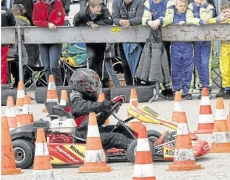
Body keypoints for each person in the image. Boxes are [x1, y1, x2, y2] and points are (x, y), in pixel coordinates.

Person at [69, 68, 132, 150]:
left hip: (89, 130)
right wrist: (106, 104)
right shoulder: (74, 98)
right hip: (80, 135)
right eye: (91, 85)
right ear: (81, 84)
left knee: (120, 129)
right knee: (116, 137)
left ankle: (142, 140)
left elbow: (95, 122)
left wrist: (107, 110)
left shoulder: (83, 98)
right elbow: (82, 107)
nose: (94, 89)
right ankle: (139, 148)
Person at [73, 0, 113, 87]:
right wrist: (88, 26)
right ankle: (91, 80)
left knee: (100, 60)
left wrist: (96, 23)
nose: (100, 9)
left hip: (101, 39)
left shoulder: (104, 10)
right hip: (90, 40)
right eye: (98, 7)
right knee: (91, 57)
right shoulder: (83, 13)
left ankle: (101, 81)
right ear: (91, 7)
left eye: (100, 7)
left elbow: (109, 21)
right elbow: (75, 23)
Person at [142, 0, 175, 100]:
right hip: (155, 37)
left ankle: (169, 88)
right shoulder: (148, 3)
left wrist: (159, 21)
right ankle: (162, 88)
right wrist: (150, 22)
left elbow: (170, 18)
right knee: (157, 63)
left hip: (168, 37)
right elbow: (144, 18)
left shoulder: (169, 2)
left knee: (167, 62)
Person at [164, 0, 194, 100]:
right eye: (180, 6)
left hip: (187, 44)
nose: (182, 7)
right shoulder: (172, 15)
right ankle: (177, 89)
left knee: (188, 68)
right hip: (175, 44)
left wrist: (185, 23)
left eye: (184, 6)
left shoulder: (189, 15)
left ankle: (187, 90)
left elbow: (192, 23)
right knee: (176, 68)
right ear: (176, 6)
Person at [32, 0, 65, 86]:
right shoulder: (37, 5)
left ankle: (58, 88)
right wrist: (48, 24)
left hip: (56, 38)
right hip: (43, 39)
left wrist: (52, 24)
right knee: (46, 67)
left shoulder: (58, 3)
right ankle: (50, 88)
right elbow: (35, 20)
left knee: (53, 66)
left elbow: (61, 19)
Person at [187, 0, 215, 98]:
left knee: (205, 64)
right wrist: (199, 21)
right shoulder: (190, 6)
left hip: (206, 41)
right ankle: (201, 87)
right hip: (195, 41)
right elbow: (189, 19)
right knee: (198, 65)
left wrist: (203, 7)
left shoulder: (210, 7)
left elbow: (206, 18)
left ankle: (207, 87)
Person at [112, 0, 144, 86]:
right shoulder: (116, 2)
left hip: (139, 38)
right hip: (123, 38)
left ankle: (141, 87)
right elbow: (114, 18)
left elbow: (140, 18)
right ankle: (130, 87)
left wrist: (129, 22)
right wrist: (121, 22)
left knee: (139, 64)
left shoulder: (140, 2)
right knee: (125, 65)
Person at [208, 0, 230, 99]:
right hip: (224, 46)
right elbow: (209, 20)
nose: (226, 14)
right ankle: (227, 88)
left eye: (228, 11)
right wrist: (219, 20)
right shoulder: (221, 19)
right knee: (224, 68)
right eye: (224, 12)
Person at [1, 0, 16, 84]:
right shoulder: (7, 11)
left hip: (4, 41)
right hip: (4, 41)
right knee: (2, 63)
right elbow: (13, 26)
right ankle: (2, 83)